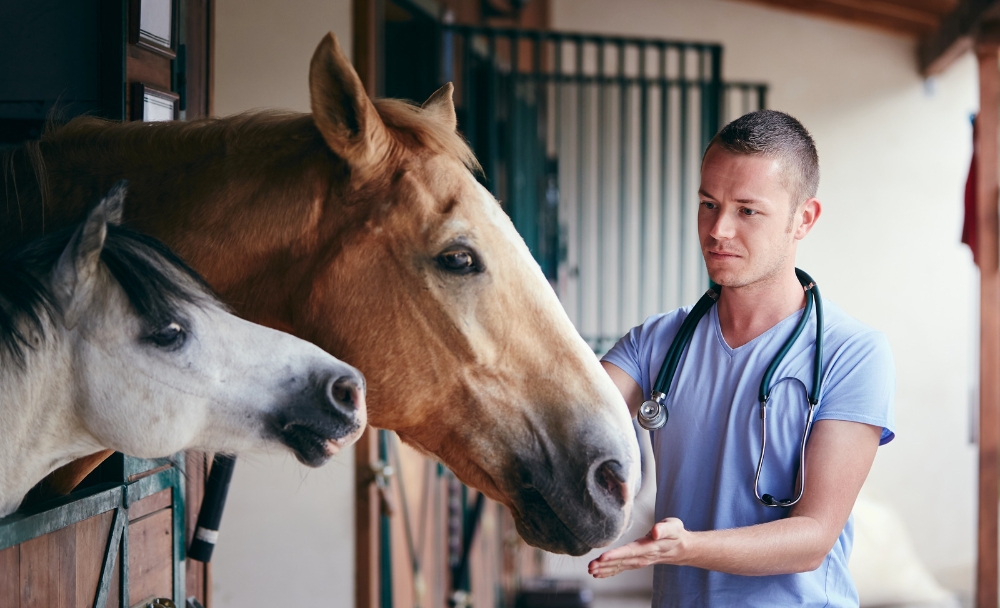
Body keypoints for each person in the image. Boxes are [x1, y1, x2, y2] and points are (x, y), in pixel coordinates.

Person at [588, 110, 895, 607]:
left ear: (804, 219)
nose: (718, 230)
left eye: (747, 211)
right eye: (709, 204)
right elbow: (576, 416)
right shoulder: (656, 343)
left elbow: (813, 537)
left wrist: (686, 548)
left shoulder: (852, 354)